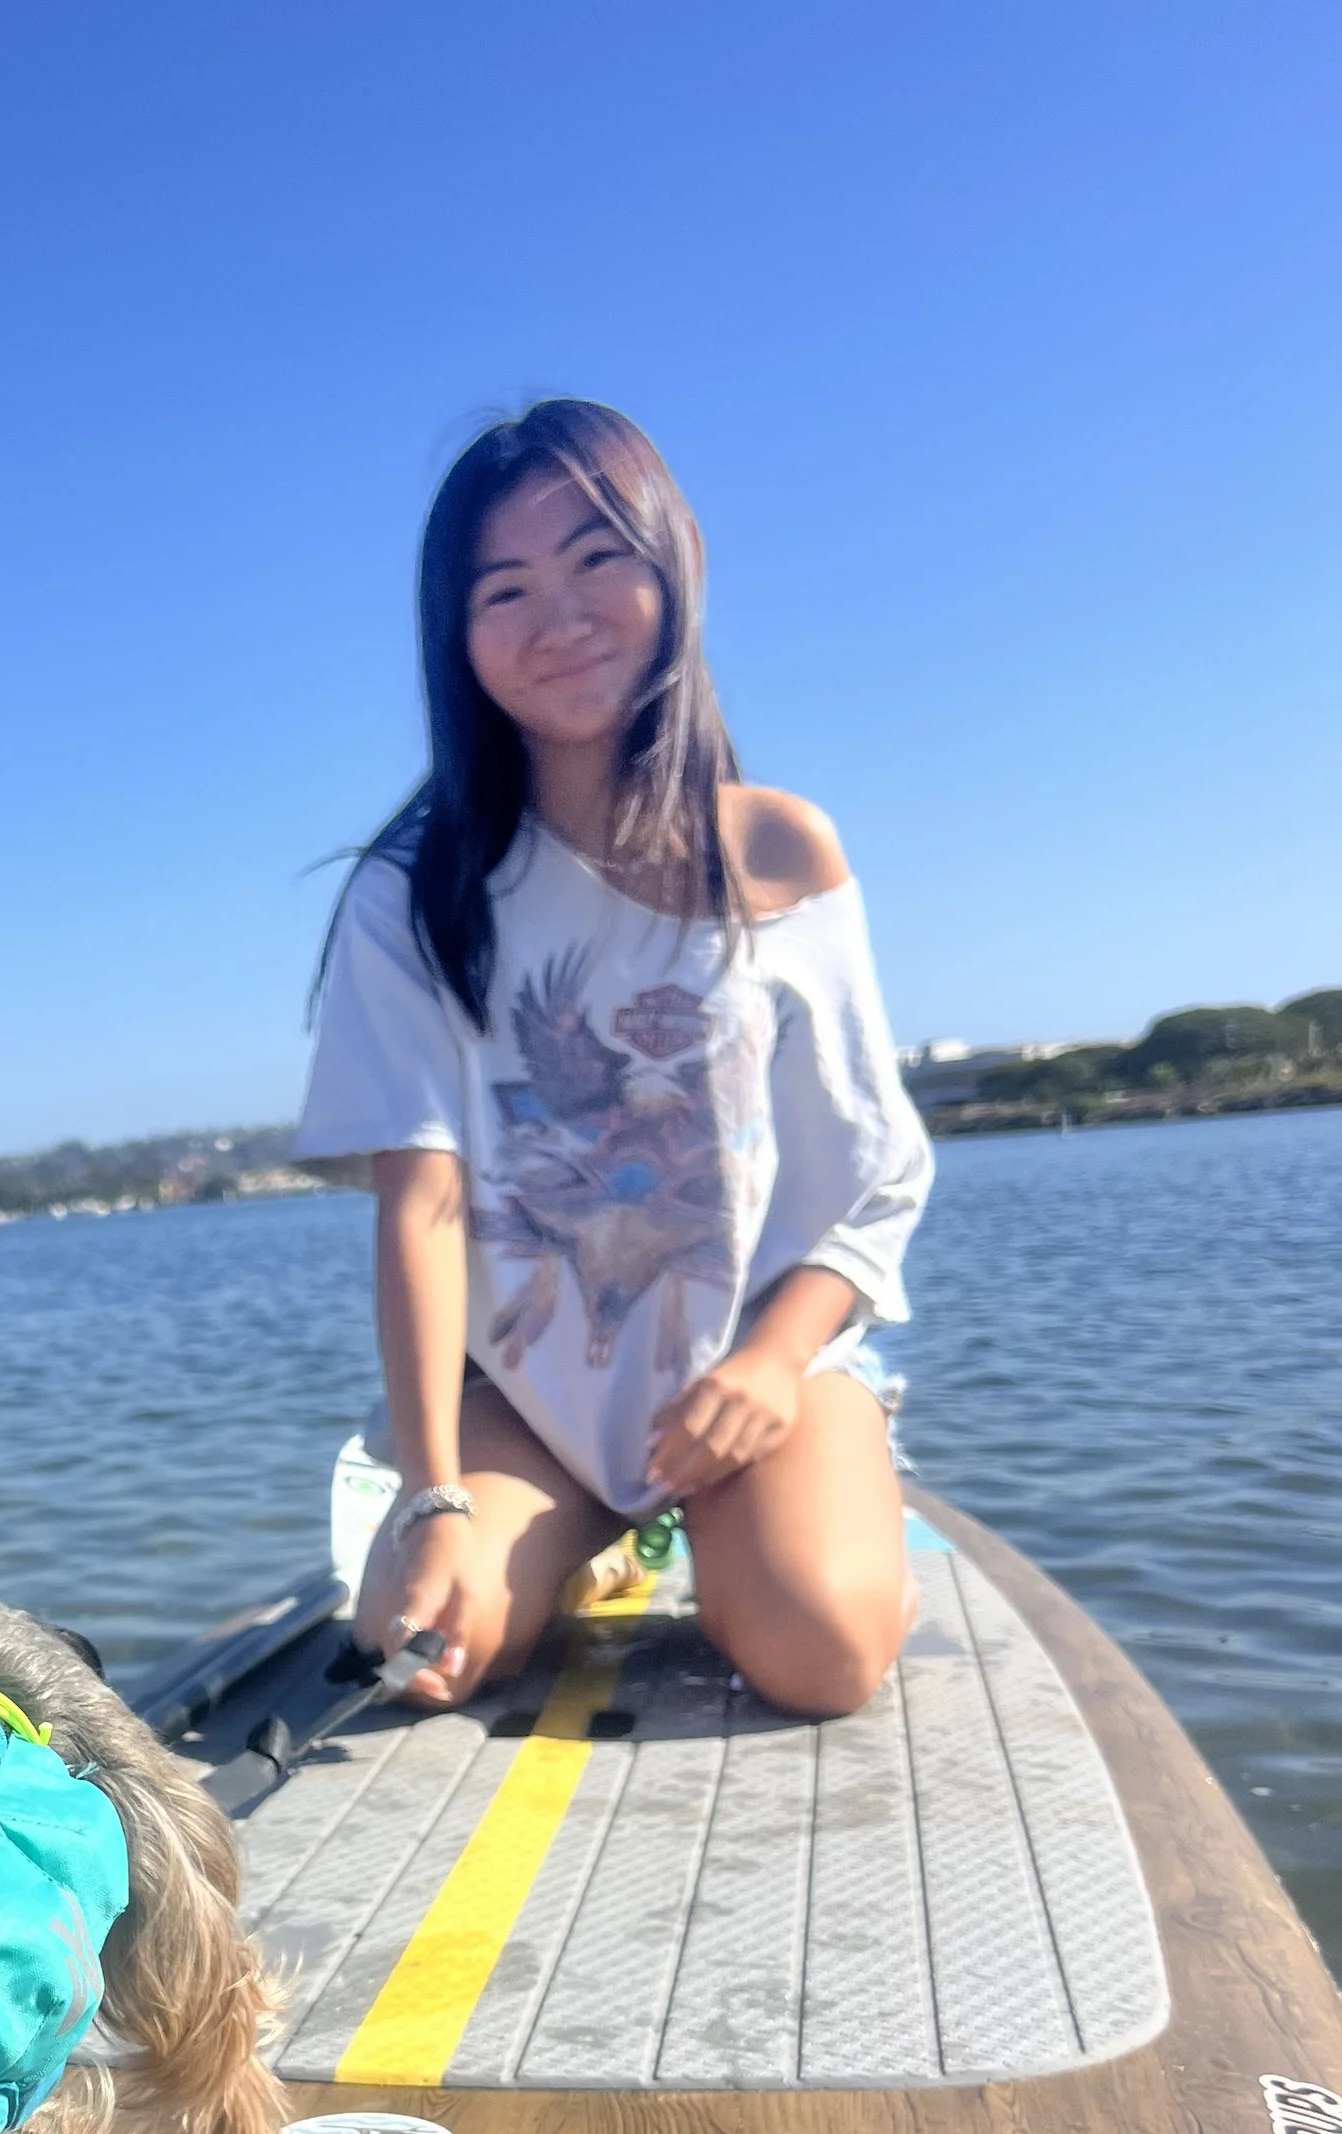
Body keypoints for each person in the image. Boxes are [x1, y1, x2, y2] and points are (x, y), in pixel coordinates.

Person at [297, 399, 933, 1717]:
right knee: (421, 1657)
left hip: (758, 1362)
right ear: (455, 634)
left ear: (677, 556)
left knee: (824, 1651)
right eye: (506, 588)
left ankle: (820, 1513)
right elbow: (421, 1208)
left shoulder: (781, 852)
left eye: (599, 560)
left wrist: (768, 1366)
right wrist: (433, 1497)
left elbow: (874, 1171)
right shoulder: (414, 898)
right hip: (539, 1390)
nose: (561, 614)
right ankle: (599, 1532)